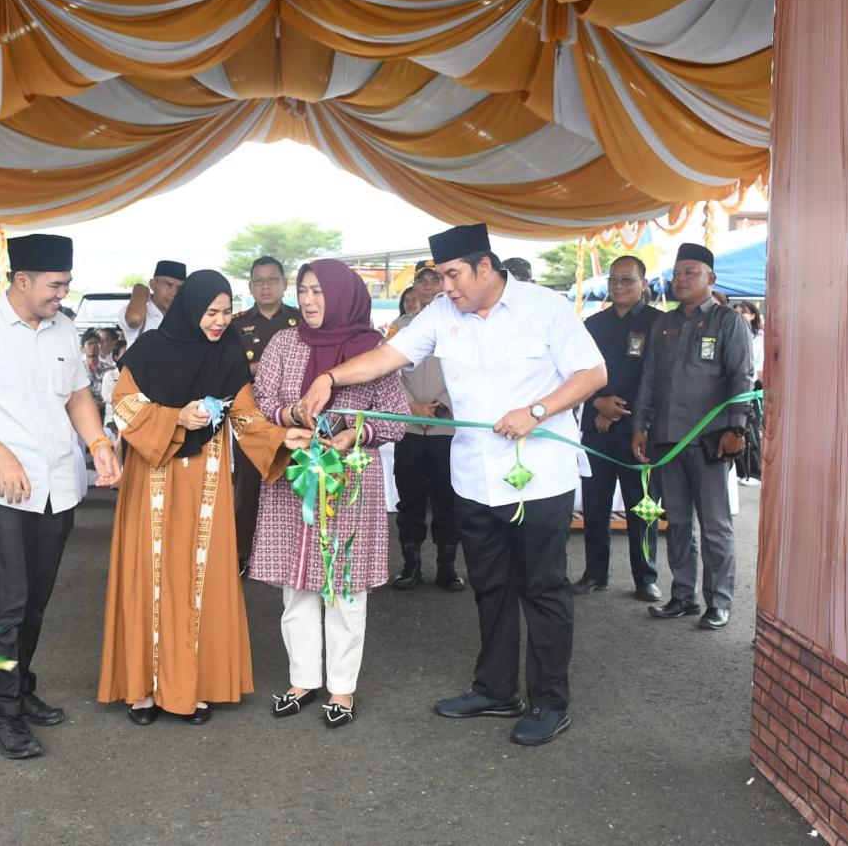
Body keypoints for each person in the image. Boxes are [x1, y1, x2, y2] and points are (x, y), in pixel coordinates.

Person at [299, 223, 607, 746]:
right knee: (490, 586)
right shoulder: (442, 314)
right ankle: (495, 689)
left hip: (539, 476)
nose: (446, 287)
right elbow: (389, 357)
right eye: (441, 277)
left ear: (485, 267)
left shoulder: (545, 307)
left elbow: (592, 374)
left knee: (542, 587)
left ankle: (550, 701)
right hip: (474, 476)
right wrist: (331, 379)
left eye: (453, 275)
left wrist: (537, 411)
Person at [97, 270, 313, 726]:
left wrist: (282, 437)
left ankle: (191, 688)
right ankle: (143, 689)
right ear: (190, 309)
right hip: (151, 477)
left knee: (197, 579)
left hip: (206, 483)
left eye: (226, 311)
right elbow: (123, 405)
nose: (219, 321)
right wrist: (177, 417)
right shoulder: (151, 349)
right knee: (150, 575)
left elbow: (246, 416)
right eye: (211, 312)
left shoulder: (229, 353)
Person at [0, 233, 121, 760]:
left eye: (65, 283)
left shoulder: (65, 327)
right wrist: (0, 454)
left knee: (36, 600)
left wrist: (99, 443)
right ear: (22, 280)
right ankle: (4, 714)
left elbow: (79, 395)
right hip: (4, 489)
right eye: (55, 284)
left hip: (57, 485)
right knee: (11, 598)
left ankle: (21, 686)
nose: (62, 294)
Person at [248, 260, 407, 728]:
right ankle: (302, 680)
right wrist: (293, 415)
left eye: (319, 291)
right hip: (294, 474)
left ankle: (342, 688)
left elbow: (396, 415)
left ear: (342, 294)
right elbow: (261, 402)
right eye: (304, 290)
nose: (310, 300)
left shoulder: (373, 350)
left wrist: (355, 432)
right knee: (296, 586)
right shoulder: (284, 342)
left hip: (350, 480)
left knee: (344, 586)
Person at [632, 243, 755, 631]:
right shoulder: (664, 324)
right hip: (668, 440)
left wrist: (737, 428)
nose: (680, 279)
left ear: (710, 278)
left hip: (710, 441)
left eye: (690, 272)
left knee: (715, 525)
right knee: (679, 523)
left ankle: (719, 601)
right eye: (677, 272)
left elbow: (742, 379)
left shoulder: (727, 322)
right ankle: (683, 595)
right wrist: (640, 426)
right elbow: (649, 379)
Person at [573, 256, 662, 601]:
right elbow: (577, 372)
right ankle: (595, 572)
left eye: (628, 280)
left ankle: (646, 578)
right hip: (597, 429)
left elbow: (655, 380)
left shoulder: (659, 324)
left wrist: (618, 411)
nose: (620, 286)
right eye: (614, 280)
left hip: (639, 431)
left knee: (643, 507)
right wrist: (598, 404)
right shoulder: (592, 324)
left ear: (643, 284)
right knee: (595, 505)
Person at [389, 263, 462, 591]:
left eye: (436, 279)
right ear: (415, 287)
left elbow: (470, 371)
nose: (430, 286)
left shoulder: (462, 324)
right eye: (423, 280)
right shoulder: (400, 327)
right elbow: (389, 374)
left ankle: (447, 567)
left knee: (449, 498)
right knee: (410, 498)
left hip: (448, 426)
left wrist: (444, 404)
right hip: (410, 428)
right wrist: (411, 408)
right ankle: (411, 566)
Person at [230, 255, 300, 576]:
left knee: (296, 484)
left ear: (285, 284)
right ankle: (243, 554)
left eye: (272, 279)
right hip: (251, 420)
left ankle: (293, 552)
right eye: (258, 280)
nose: (266, 286)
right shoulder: (236, 324)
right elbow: (224, 370)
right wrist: (253, 369)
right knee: (247, 488)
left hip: (294, 418)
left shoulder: (302, 321)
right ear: (250, 286)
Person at [732, 300, 764, 485]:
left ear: (752, 315)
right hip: (738, 387)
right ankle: (742, 470)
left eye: (743, 312)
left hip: (753, 387)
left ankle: (754, 472)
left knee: (751, 429)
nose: (739, 315)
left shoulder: (759, 337)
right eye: (736, 311)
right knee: (738, 430)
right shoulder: (734, 334)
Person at [119, 260, 186, 346]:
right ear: (152, 284)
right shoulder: (140, 314)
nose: (174, 293)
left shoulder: (181, 320)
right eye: (169, 285)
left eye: (179, 288)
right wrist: (139, 290)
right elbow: (134, 318)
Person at [99, 338, 128, 429]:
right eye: (125, 354)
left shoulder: (137, 375)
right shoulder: (110, 375)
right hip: (112, 420)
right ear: (116, 357)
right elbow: (108, 397)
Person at [81, 330, 107, 419]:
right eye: (89, 343)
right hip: (82, 410)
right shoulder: (77, 369)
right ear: (82, 349)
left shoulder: (109, 369)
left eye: (96, 343)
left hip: (104, 411)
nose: (92, 346)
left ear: (100, 347)